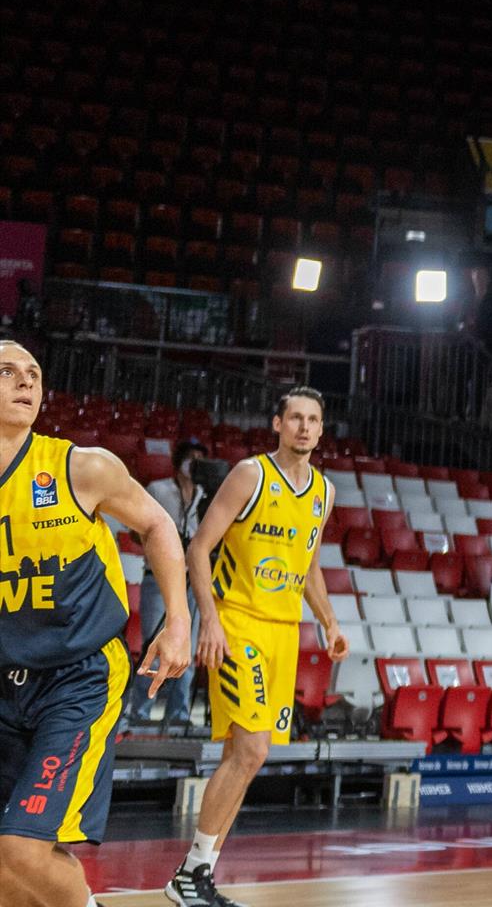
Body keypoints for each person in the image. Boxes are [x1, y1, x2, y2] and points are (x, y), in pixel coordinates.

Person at [0, 339, 190, 907]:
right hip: (7, 678)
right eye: (7, 372)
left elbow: (157, 525)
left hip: (79, 676)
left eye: (33, 373)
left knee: (20, 849)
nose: (26, 381)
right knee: (8, 869)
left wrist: (177, 621)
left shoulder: (80, 467)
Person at [168, 387, 350, 907]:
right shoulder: (251, 474)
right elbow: (199, 547)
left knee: (243, 758)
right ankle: (190, 874)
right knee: (253, 749)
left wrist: (329, 622)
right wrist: (209, 620)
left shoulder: (324, 492)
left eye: (313, 419)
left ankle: (197, 877)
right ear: (277, 423)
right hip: (238, 624)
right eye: (295, 417)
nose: (304, 427)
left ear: (321, 429)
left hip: (284, 633)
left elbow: (308, 565)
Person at [133, 440, 212, 725]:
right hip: (158, 579)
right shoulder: (158, 489)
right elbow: (135, 531)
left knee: (186, 650)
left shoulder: (206, 496)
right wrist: (164, 541)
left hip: (192, 580)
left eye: (200, 458)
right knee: (153, 646)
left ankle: (178, 715)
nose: (194, 463)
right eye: (190, 457)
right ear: (178, 461)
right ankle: (139, 713)